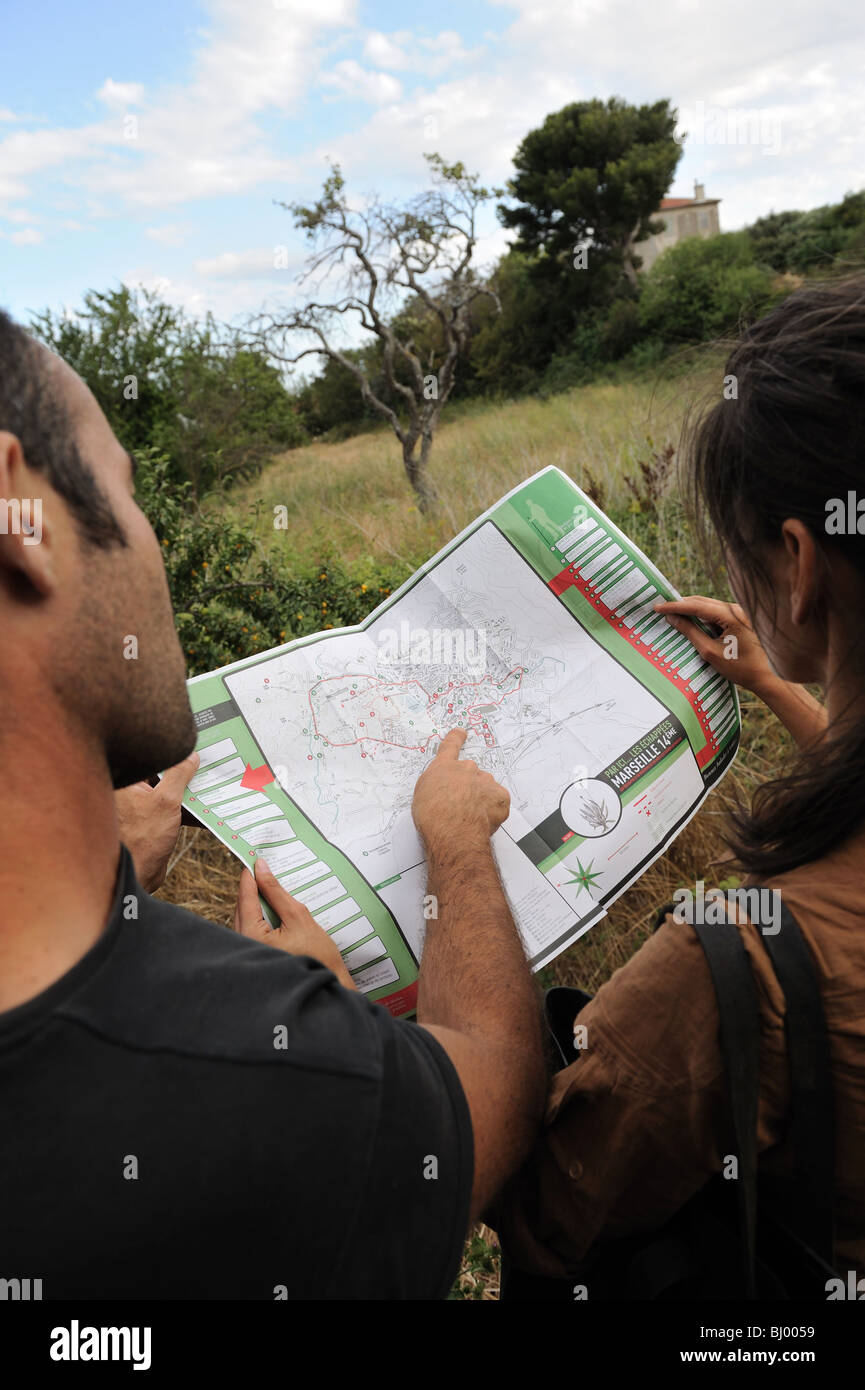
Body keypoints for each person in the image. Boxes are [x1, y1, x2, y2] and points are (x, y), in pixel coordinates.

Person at [0, 309, 545, 1300]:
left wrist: (102, 880)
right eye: (126, 489)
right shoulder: (276, 1075)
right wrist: (456, 845)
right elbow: (499, 1087)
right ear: (19, 514)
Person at [492, 276, 865, 1291]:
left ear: (797, 560)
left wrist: (453, 862)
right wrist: (777, 684)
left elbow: (548, 1213)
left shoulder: (735, 959)